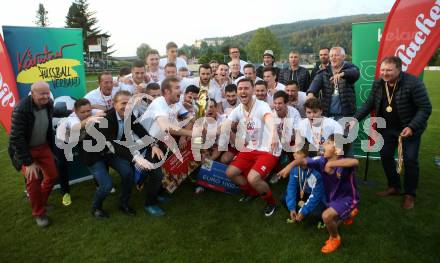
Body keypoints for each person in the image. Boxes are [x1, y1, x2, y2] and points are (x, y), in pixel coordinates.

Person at [353, 56, 432, 209]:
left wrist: (412, 127)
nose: (385, 73)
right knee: (386, 156)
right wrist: (355, 119)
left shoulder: (413, 83)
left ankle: (410, 194)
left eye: (389, 70)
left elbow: (425, 108)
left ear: (398, 69)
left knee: (410, 160)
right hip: (387, 129)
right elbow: (369, 104)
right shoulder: (378, 83)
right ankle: (394, 186)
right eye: (382, 70)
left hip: (408, 129)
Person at [287, 135, 360, 253]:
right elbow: (304, 160)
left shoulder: (343, 165)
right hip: (333, 197)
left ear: (337, 150)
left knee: (327, 217)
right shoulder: (322, 160)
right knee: (332, 220)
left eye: (328, 143)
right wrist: (288, 167)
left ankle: (335, 238)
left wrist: (332, 164)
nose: (323, 145)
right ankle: (350, 214)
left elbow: (355, 161)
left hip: (348, 198)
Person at [82, 90, 145, 219]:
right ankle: (96, 208)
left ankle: (124, 204)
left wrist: (154, 144)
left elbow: (141, 131)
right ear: (114, 104)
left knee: (128, 173)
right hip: (94, 154)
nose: (127, 106)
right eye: (123, 103)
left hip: (111, 152)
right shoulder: (104, 119)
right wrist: (135, 158)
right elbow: (112, 143)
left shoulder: (129, 115)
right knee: (106, 185)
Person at [224, 78, 280, 217]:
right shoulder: (238, 109)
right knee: (230, 173)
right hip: (251, 148)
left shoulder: (262, 106)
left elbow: (269, 119)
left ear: (252, 90)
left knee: (253, 178)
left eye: (246, 88)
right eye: (240, 89)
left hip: (268, 149)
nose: (243, 91)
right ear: (237, 92)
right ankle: (252, 192)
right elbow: (225, 125)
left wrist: (273, 135)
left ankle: (271, 202)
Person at [8, 81, 58, 227]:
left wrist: (73, 111)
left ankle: (41, 202)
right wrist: (28, 162)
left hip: (43, 147)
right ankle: (39, 214)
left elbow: (54, 113)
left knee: (53, 176)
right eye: (41, 93)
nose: (45, 96)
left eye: (47, 93)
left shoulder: (48, 103)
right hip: (27, 150)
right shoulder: (21, 109)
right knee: (33, 182)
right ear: (33, 93)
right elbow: (16, 138)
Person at [54, 98, 104, 207]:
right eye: (83, 112)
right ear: (75, 112)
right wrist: (90, 119)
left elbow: (104, 111)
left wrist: (95, 108)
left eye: (88, 111)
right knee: (62, 164)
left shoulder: (90, 112)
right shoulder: (72, 118)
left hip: (80, 138)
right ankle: (65, 192)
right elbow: (75, 127)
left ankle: (99, 184)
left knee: (94, 154)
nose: (86, 114)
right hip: (64, 140)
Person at [277, 98, 343, 178]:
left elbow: (339, 148)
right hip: (315, 151)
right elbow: (298, 145)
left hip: (330, 153)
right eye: (309, 112)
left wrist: (327, 154)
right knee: (299, 154)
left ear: (321, 111)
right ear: (305, 112)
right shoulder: (302, 124)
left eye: (315, 112)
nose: (312, 115)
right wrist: (299, 154)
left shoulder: (333, 125)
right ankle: (300, 179)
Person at [307, 47, 360, 120]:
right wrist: (310, 95)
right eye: (331, 56)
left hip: (347, 116)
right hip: (327, 116)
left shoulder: (350, 68)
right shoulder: (323, 72)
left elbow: (355, 73)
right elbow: (313, 86)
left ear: (343, 57)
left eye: (336, 55)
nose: (333, 58)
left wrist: (342, 74)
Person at [281, 142, 326, 224]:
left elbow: (316, 195)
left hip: (317, 195)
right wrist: (291, 208)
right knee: (284, 198)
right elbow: (291, 187)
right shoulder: (294, 168)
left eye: (298, 153)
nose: (294, 154)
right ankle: (297, 211)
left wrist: (304, 211)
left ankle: (307, 212)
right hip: (303, 191)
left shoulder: (316, 172)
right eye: (294, 152)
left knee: (316, 213)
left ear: (306, 156)